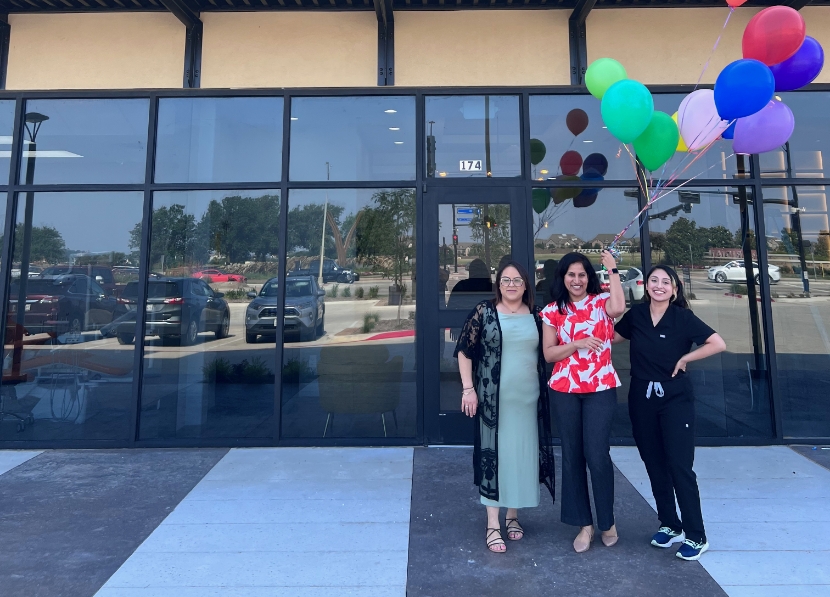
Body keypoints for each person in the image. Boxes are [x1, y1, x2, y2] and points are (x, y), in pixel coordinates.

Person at [613, 265, 725, 561]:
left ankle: (696, 535)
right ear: (646, 286)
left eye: (666, 282)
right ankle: (670, 524)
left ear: (674, 289)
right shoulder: (636, 316)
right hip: (641, 397)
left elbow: (718, 343)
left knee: (679, 466)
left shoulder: (683, 318)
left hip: (675, 399)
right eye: (654, 281)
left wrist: (687, 357)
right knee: (653, 462)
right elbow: (609, 337)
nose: (660, 286)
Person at [454, 260, 556, 554]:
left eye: (517, 280)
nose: (511, 285)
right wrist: (468, 389)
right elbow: (464, 351)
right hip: (492, 402)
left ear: (527, 285)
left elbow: (549, 351)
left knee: (520, 458)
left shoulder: (538, 316)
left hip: (528, 401)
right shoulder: (484, 312)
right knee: (494, 458)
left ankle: (513, 516)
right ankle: (493, 524)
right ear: (498, 284)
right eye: (506, 280)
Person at [541, 250, 625, 553]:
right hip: (564, 389)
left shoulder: (601, 302)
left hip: (600, 386)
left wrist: (612, 269)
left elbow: (619, 307)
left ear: (589, 277)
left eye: (582, 274)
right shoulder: (553, 311)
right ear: (562, 278)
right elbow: (549, 354)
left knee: (597, 455)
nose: (576, 280)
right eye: (571, 274)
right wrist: (575, 344)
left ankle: (607, 520)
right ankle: (584, 525)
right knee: (573, 456)